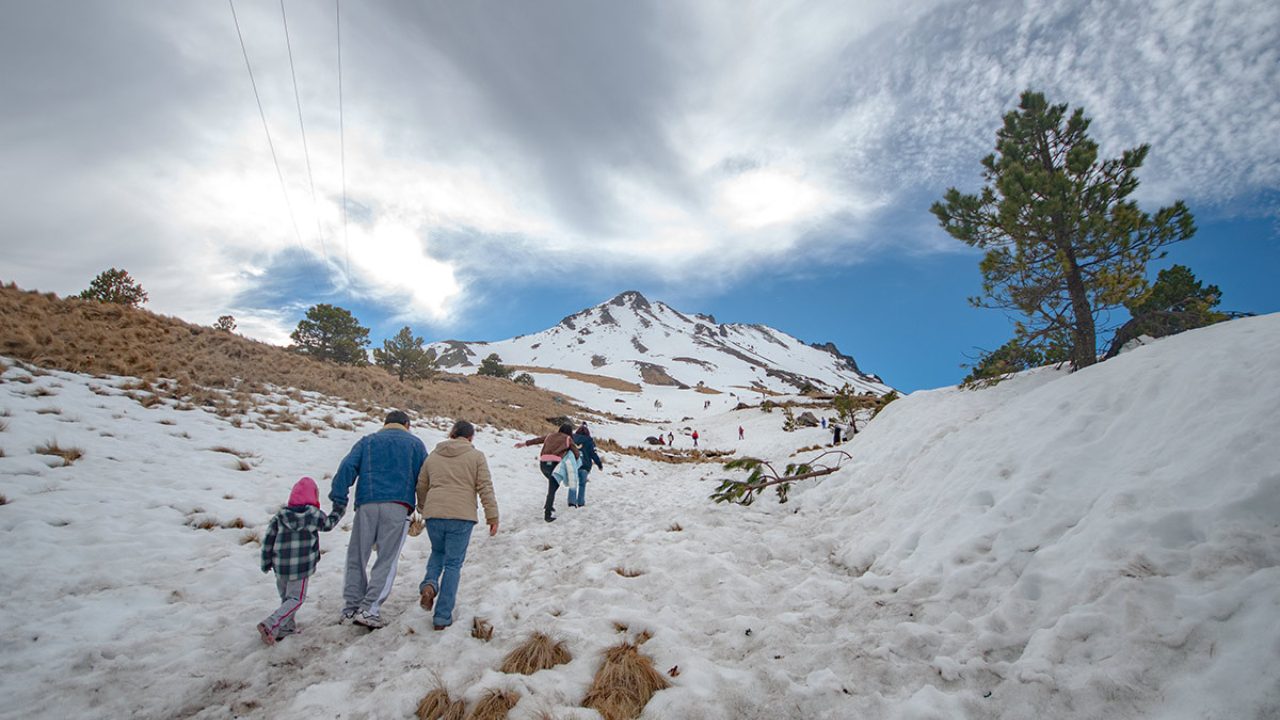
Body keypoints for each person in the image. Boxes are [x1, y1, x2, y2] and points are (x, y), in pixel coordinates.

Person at [329, 410, 428, 629]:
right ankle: (370, 608)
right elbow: (424, 477)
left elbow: (346, 467)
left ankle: (350, 607)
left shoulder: (368, 441)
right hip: (398, 505)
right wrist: (423, 506)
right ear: (406, 424)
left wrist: (339, 497)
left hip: (367, 503)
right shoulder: (415, 444)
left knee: (357, 554)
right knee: (387, 558)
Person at [416, 420, 498, 631]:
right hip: (461, 515)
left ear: (452, 434)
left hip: (434, 514)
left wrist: (425, 508)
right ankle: (442, 617)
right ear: (470, 437)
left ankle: (429, 585)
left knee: (437, 552)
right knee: (453, 564)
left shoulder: (433, 456)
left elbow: (422, 485)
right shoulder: (476, 456)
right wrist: (492, 516)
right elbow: (484, 487)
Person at [258, 477, 345, 645]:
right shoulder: (313, 515)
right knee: (296, 599)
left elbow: (268, 540)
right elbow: (329, 523)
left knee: (286, 598)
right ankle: (270, 624)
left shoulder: (280, 517)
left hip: (280, 566)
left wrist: (266, 562)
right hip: (301, 567)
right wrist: (340, 507)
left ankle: (286, 628)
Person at [516, 422, 580, 522]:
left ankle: (548, 505)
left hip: (543, 464)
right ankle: (547, 514)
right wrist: (572, 459)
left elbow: (537, 440)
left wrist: (523, 444)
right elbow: (576, 453)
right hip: (555, 465)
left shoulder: (550, 436)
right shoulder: (568, 439)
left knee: (553, 485)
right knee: (553, 487)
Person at [569, 423, 604, 508]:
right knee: (582, 484)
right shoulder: (589, 441)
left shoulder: (571, 439)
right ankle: (580, 502)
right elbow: (593, 454)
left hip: (573, 464)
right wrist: (599, 464)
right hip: (585, 465)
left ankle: (571, 502)